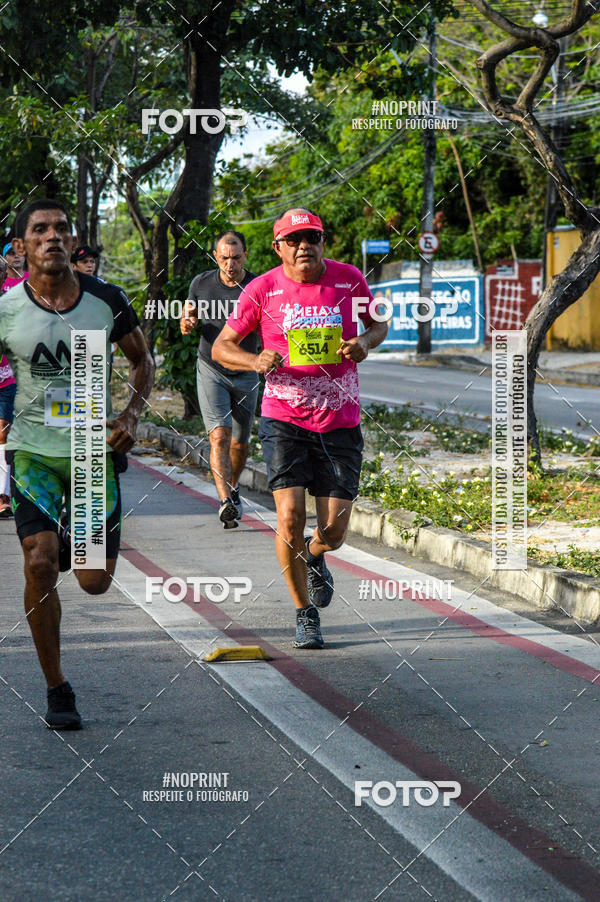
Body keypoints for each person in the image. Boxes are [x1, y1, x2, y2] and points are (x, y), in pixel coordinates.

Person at [0, 199, 154, 729]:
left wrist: (131, 416)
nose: (53, 237)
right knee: (40, 562)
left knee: (93, 582)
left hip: (91, 453)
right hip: (32, 452)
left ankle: (71, 540)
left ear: (73, 240)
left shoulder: (105, 301)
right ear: (21, 247)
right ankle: (56, 687)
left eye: (62, 229)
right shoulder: (6, 310)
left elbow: (142, 359)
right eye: (39, 230)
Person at [213, 208, 388, 648]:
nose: (303, 245)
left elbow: (379, 323)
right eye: (293, 240)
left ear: (323, 241)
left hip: (340, 421)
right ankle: (304, 613)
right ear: (278, 248)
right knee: (289, 519)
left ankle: (314, 556)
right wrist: (254, 360)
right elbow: (222, 347)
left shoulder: (349, 280)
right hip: (284, 419)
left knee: (334, 533)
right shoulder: (261, 289)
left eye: (311, 237)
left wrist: (364, 343)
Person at [180, 230, 259, 528]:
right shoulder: (201, 283)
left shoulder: (257, 285)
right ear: (216, 256)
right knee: (219, 435)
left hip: (246, 369)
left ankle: (233, 488)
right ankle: (225, 500)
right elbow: (188, 313)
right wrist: (187, 321)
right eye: (224, 258)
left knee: (240, 443)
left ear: (245, 256)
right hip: (211, 368)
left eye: (236, 258)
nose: (230, 264)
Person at [0, 242, 27, 517]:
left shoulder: (27, 291)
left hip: (10, 378)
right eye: (11, 255)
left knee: (5, 434)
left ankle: (5, 495)